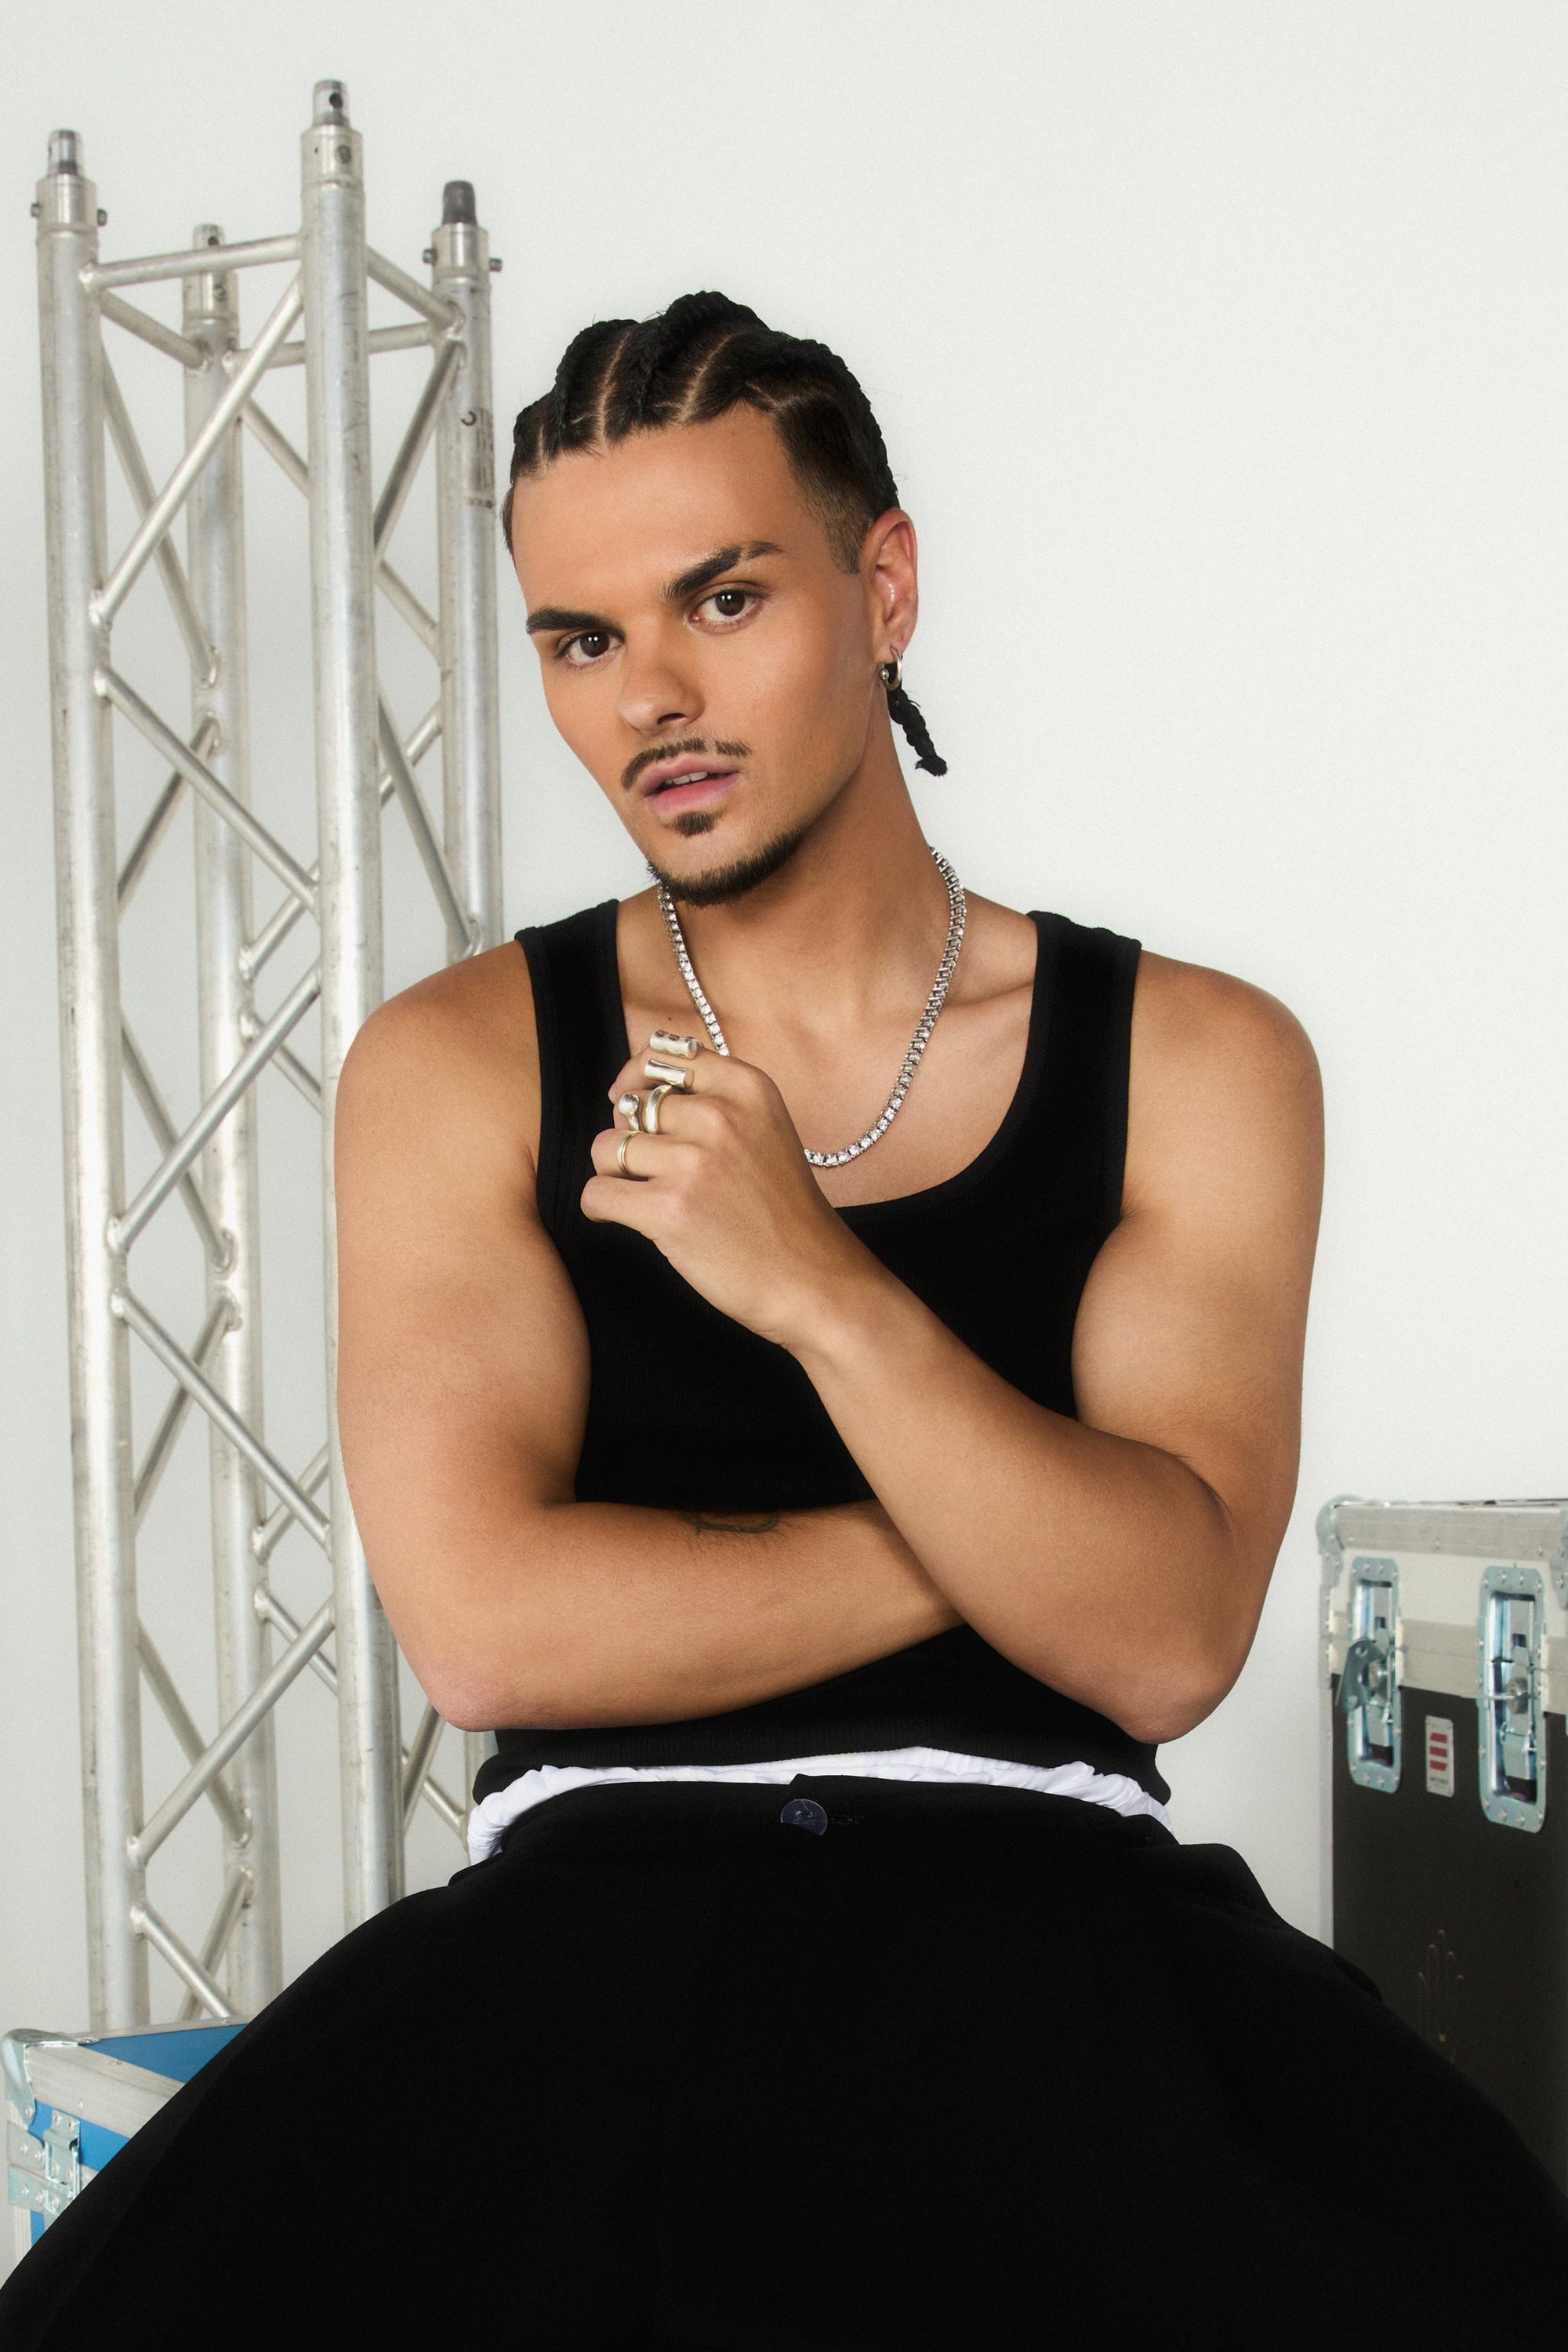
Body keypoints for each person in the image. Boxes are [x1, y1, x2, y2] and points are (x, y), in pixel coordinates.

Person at [4, 290, 1565, 2350]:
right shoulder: (459, 1063)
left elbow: (1170, 1648)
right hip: (579, 1954)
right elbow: (491, 1631)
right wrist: (1025, 1546)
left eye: (723, 599)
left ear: (883, 586)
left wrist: (817, 1286)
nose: (652, 696)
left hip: (1063, 1953)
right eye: (580, 640)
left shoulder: (1199, 1058)